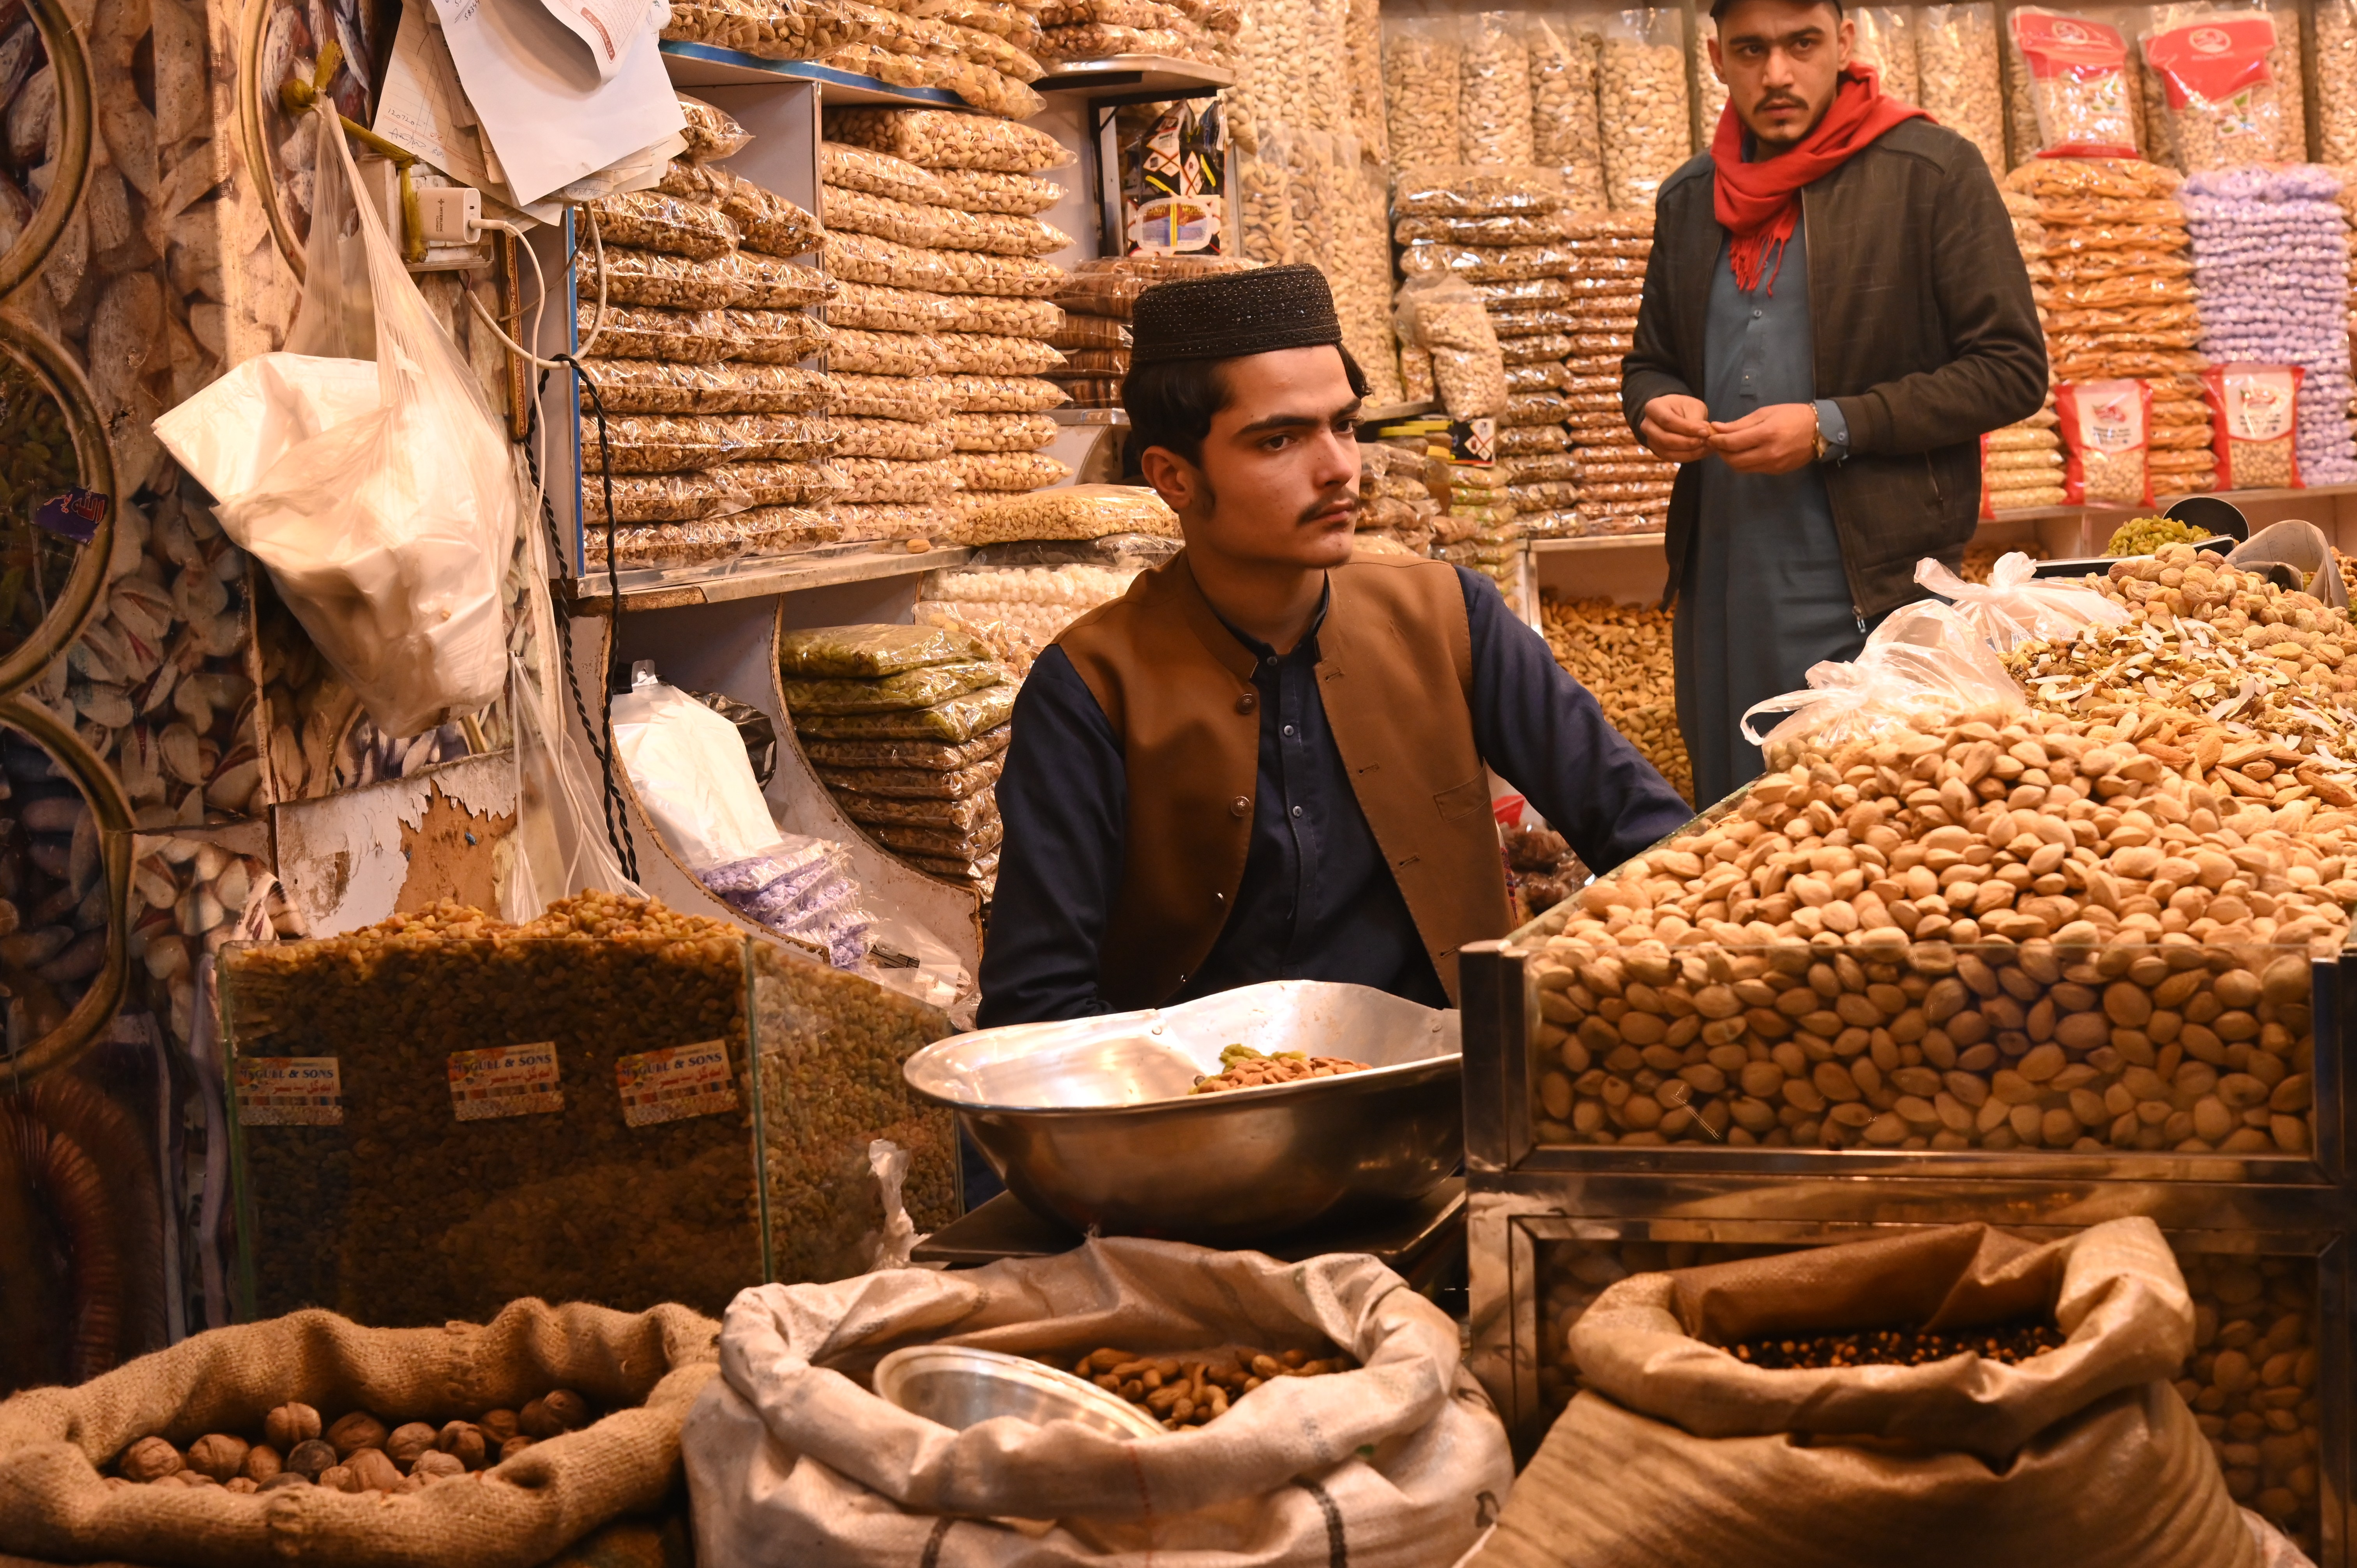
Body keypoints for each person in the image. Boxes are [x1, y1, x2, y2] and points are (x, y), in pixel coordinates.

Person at [978, 264, 1692, 1031]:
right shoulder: (1091, 686)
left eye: (1344, 425)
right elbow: (1038, 1005)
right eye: (1279, 439)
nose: (1341, 468)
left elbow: (1649, 832)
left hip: (1455, 1095)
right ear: (1173, 478)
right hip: (1203, 1119)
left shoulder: (1449, 613)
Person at [1624, 0, 2047, 807]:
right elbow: (1650, 362)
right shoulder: (1690, 198)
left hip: (1870, 587)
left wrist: (1832, 425)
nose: (1776, 73)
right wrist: (1656, 405)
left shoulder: (1930, 172)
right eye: (1750, 50)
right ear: (1715, 57)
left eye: (1801, 44)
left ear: (1845, 43)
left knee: (1867, 832)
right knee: (1734, 818)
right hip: (1722, 584)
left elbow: (2011, 368)